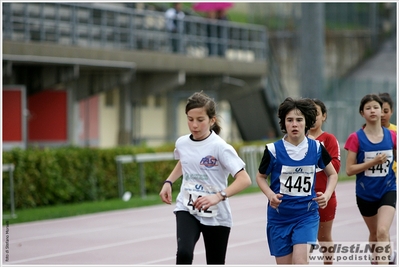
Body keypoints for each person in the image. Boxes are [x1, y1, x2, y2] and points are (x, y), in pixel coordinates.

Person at [159, 91, 252, 264]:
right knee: (184, 254)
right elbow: (184, 162)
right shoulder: (182, 143)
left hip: (217, 215)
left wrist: (218, 196)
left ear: (212, 120)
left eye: (200, 120)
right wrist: (169, 182)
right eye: (190, 119)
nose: (194, 125)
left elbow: (244, 179)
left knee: (215, 262)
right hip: (187, 208)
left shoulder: (221, 147)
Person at [256, 97, 338, 265]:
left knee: (300, 262)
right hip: (279, 218)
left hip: (306, 215)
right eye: (290, 120)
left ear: (306, 122)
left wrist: (328, 194)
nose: (294, 124)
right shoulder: (273, 150)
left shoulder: (316, 148)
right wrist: (270, 195)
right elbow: (260, 177)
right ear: (284, 123)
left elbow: (333, 174)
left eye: (299, 120)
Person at [344, 94, 397, 265]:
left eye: (376, 107)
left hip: (387, 189)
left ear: (382, 111)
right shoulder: (356, 138)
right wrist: (373, 162)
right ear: (362, 113)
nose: (372, 111)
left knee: (383, 231)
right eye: (368, 108)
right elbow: (349, 170)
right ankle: (377, 261)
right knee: (375, 234)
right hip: (365, 194)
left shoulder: (393, 136)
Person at [308, 98, 341, 265]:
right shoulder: (297, 139)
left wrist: (317, 151)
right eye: (309, 114)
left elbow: (335, 166)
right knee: (303, 240)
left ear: (324, 116)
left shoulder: (328, 139)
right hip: (301, 198)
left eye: (317, 113)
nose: (313, 117)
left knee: (324, 237)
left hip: (325, 196)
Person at [379, 92, 397, 175]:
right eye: (380, 111)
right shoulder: (366, 133)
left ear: (392, 111)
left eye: (386, 111)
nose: (382, 115)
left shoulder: (396, 131)